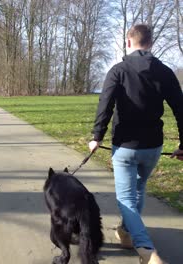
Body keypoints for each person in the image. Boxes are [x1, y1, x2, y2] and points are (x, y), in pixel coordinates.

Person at [89, 24, 183, 264]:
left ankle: (146, 250)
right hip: (152, 147)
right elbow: (180, 109)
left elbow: (105, 104)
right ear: (150, 44)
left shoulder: (118, 70)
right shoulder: (164, 72)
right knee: (138, 190)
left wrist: (96, 137)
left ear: (128, 42)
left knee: (126, 198)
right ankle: (126, 234)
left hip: (125, 147)